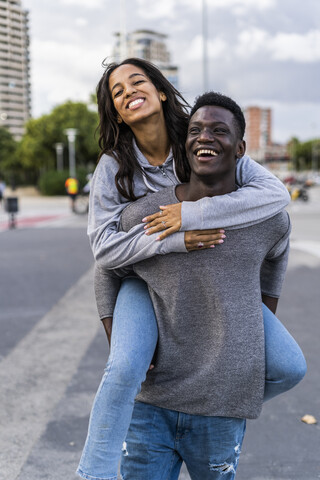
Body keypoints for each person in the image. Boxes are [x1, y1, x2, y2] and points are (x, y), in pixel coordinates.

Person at [76, 59, 305, 480]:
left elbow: (275, 196)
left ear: (161, 90)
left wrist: (192, 214)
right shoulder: (115, 164)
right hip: (142, 276)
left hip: (209, 276)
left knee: (290, 366)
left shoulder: (198, 134)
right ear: (116, 110)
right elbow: (105, 253)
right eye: (117, 92)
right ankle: (94, 472)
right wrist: (176, 235)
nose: (128, 92)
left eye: (137, 82)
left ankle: (212, 399)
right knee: (125, 367)